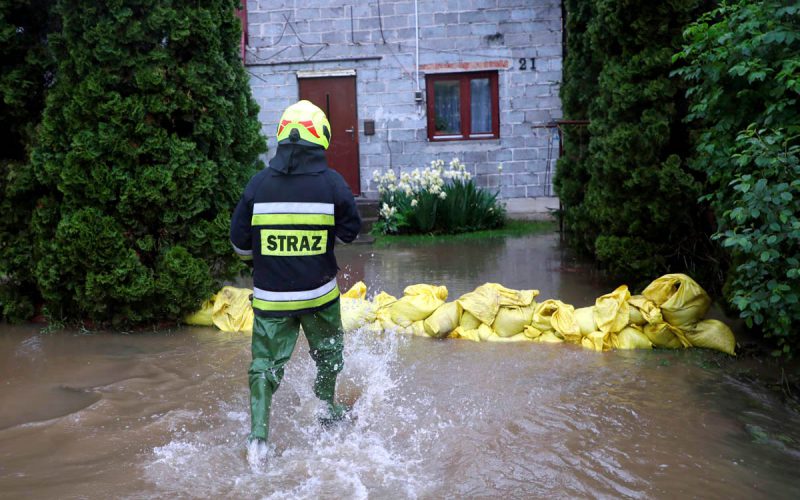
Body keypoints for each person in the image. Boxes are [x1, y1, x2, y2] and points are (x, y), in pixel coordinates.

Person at [229, 100, 361, 461]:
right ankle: (326, 410)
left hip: (271, 300)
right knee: (329, 354)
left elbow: (239, 245)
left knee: (264, 366)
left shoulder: (257, 184)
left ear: (283, 136)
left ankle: (258, 438)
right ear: (322, 139)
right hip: (319, 297)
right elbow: (351, 234)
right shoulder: (333, 183)